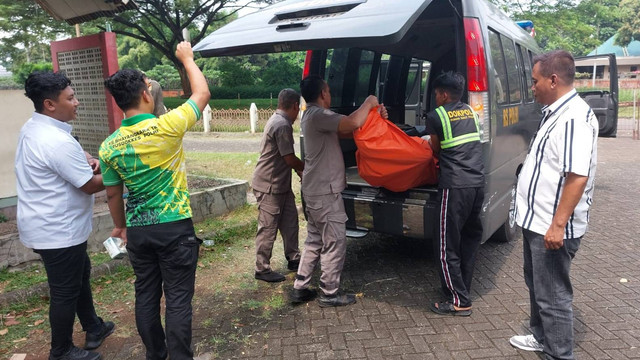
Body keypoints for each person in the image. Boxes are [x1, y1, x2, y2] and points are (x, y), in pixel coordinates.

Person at [99, 41, 210, 360]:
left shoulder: (109, 146)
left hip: (139, 233)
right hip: (175, 229)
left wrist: (120, 226)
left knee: (145, 296)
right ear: (146, 94)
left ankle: (155, 355)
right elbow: (201, 95)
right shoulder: (167, 126)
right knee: (177, 300)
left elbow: (112, 192)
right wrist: (187, 59)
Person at [16, 71, 114, 360]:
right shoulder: (54, 140)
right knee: (64, 291)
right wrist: (120, 170)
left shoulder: (36, 127)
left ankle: (93, 327)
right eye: (70, 98)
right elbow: (88, 186)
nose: (77, 102)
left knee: (80, 273)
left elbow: (70, 166)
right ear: (49, 104)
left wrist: (90, 162)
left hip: (49, 224)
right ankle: (60, 350)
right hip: (57, 230)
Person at [509, 50, 598, 360]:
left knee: (553, 296)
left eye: (535, 81)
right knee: (537, 285)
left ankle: (558, 354)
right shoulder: (556, 112)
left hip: (551, 225)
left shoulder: (573, 117)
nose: (532, 87)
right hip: (537, 221)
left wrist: (558, 225)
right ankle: (541, 336)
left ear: (553, 79)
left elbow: (577, 176)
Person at [290, 75, 386, 307]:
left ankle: (300, 287)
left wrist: (373, 118)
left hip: (314, 190)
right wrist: (370, 103)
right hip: (324, 192)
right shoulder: (320, 115)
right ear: (323, 93)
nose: (330, 95)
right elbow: (352, 123)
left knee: (315, 239)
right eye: (329, 91)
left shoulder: (312, 116)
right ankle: (329, 292)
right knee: (334, 240)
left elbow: (347, 129)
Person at [424, 71, 485, 317]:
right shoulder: (472, 112)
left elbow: (436, 147)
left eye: (437, 93)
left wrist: (426, 141)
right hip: (477, 184)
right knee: (469, 241)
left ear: (444, 94)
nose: (436, 98)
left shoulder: (435, 116)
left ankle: (460, 301)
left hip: (455, 187)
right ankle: (461, 289)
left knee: (445, 245)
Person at [252, 88, 304, 283]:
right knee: (268, 227)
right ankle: (262, 269)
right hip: (269, 186)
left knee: (290, 221)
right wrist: (305, 169)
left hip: (280, 185)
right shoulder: (282, 124)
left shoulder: (278, 120)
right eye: (298, 110)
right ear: (295, 106)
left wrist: (299, 171)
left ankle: (294, 258)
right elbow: (289, 158)